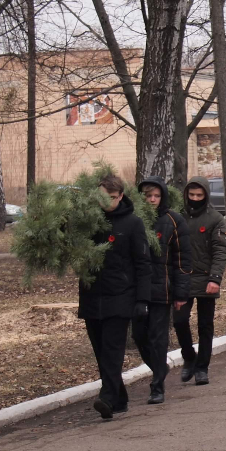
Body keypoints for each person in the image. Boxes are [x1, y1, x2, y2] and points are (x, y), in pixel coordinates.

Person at [80, 174, 152, 419]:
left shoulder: (133, 223)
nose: (107, 202)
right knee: (101, 351)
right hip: (92, 296)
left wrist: (142, 300)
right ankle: (119, 398)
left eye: (112, 198)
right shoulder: (89, 223)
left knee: (112, 350)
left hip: (121, 296)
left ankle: (108, 399)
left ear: (121, 196)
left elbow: (143, 264)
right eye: (103, 197)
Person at [133, 177, 192, 404]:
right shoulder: (135, 220)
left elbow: (183, 260)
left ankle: (157, 386)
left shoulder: (174, 221)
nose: (152, 200)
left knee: (158, 338)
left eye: (157, 196)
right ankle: (160, 367)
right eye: (148, 196)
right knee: (139, 336)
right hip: (138, 291)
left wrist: (180, 293)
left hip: (163, 290)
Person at [173, 177, 226, 386]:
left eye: (199, 195)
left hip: (206, 278)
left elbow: (221, 250)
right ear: (186, 194)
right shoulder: (177, 216)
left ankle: (202, 368)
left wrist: (215, 278)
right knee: (179, 320)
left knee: (206, 325)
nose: (195, 199)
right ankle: (189, 356)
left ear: (205, 195)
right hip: (183, 278)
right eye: (191, 195)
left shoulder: (215, 218)